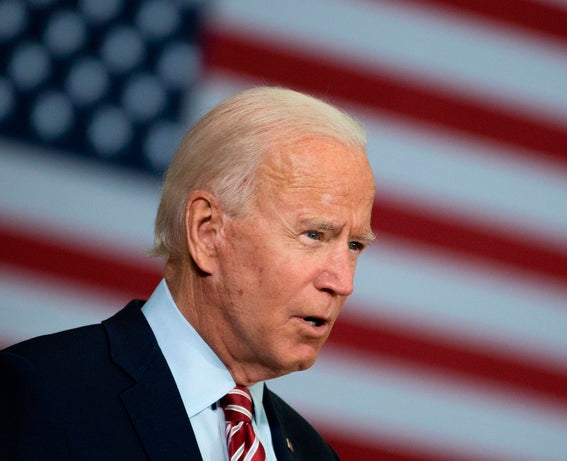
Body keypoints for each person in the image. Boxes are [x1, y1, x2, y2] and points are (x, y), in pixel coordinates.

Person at [0, 86, 376, 460]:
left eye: (354, 246)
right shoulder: (42, 395)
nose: (343, 283)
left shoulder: (314, 453)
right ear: (207, 232)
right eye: (314, 234)